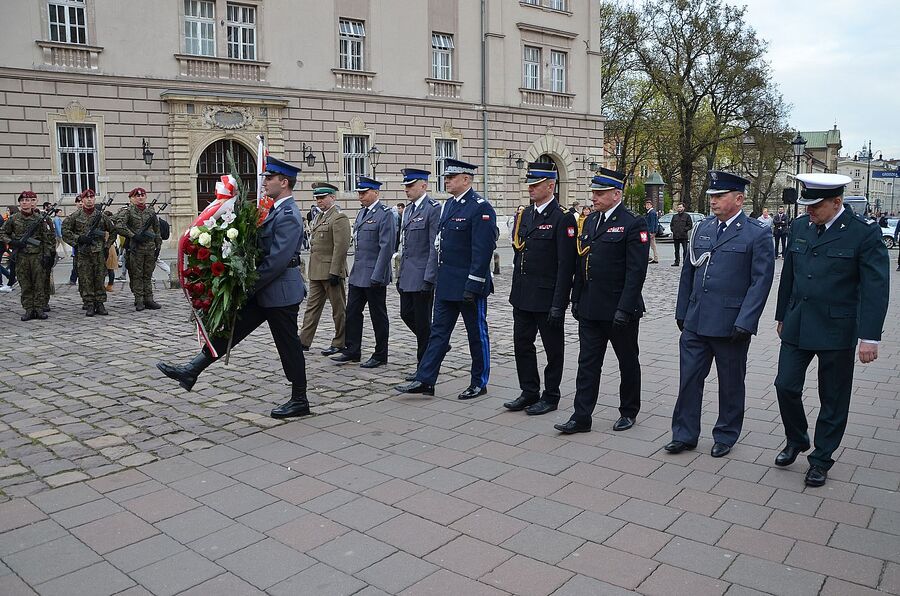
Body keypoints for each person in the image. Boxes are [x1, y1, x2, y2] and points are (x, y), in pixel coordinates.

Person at [158, 156, 311, 418]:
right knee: (232, 328)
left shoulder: (288, 214)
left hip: (280, 291)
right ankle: (192, 370)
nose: (264, 182)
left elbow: (276, 261)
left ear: (284, 183)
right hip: (266, 289)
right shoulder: (274, 210)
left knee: (289, 346)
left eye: (270, 178)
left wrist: (248, 285)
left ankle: (299, 399)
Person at [773, 173, 889, 487]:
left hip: (837, 326)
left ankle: (821, 458)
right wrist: (782, 314)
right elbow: (790, 276)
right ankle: (797, 438)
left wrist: (870, 336)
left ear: (837, 202)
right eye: (806, 205)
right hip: (798, 321)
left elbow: (875, 287)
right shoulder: (800, 226)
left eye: (816, 205)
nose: (809, 211)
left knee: (833, 397)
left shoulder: (863, 233)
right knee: (785, 385)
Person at [664, 171, 775, 457]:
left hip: (730, 324)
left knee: (731, 383)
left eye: (719, 196)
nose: (713, 201)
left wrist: (746, 321)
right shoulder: (702, 229)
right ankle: (685, 434)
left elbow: (760, 282)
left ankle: (726, 434)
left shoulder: (756, 233)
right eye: (712, 196)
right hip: (696, 321)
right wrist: (682, 311)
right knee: (689, 379)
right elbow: (688, 272)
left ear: (738, 199)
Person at [554, 169, 649, 433]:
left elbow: (636, 271)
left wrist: (625, 307)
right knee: (587, 363)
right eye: (594, 192)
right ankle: (581, 415)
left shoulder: (632, 223)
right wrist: (576, 297)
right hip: (591, 307)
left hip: (620, 309)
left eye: (600, 193)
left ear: (616, 194)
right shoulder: (591, 221)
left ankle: (628, 410)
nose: (593, 197)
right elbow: (583, 261)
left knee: (627, 361)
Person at [395, 158, 497, 399]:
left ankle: (479, 382)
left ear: (466, 179)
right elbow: (441, 245)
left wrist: (473, 285)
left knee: (476, 334)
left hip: (469, 285)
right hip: (447, 282)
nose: (447, 181)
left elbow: (482, 252)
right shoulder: (449, 206)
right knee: (438, 333)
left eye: (451, 177)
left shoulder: (480, 207)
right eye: (446, 177)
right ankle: (425, 379)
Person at [503, 162, 576, 415]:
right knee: (522, 344)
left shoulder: (562, 218)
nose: (531, 189)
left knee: (553, 348)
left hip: (547, 296)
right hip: (523, 294)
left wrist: (560, 302)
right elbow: (519, 254)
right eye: (530, 185)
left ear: (551, 186)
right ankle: (529, 391)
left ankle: (551, 395)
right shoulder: (525, 215)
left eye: (536, 185)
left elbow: (566, 265)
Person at [331, 176, 396, 368]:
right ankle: (352, 350)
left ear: (376, 193)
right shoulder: (361, 214)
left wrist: (378, 274)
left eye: (364, 193)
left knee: (378, 315)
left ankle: (380, 354)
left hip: (375, 274)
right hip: (359, 273)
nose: (360, 196)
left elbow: (386, 248)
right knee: (352, 312)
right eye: (359, 193)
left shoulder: (385, 214)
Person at [396, 168, 441, 377]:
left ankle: (423, 369)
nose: (407, 189)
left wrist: (429, 277)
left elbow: (434, 246)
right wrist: (399, 274)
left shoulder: (433, 209)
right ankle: (437, 344)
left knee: (423, 325)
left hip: (422, 274)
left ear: (423, 185)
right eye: (406, 186)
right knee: (406, 314)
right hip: (408, 274)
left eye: (410, 185)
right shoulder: (409, 210)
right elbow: (404, 245)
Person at [299, 182, 351, 355]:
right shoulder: (319, 217)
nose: (319, 201)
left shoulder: (339, 218)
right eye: (317, 198)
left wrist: (335, 271)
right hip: (316, 271)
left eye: (322, 198)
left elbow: (341, 247)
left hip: (330, 272)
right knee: (311, 308)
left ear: (333, 198)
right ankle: (304, 340)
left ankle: (340, 341)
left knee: (338, 309)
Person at [61, 188, 116, 316]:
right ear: (82, 199)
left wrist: (107, 246)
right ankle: (89, 304)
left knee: (99, 278)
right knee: (86, 279)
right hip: (83, 253)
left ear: (94, 199)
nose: (89, 199)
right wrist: (78, 239)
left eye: (92, 197)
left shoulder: (101, 216)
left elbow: (113, 231)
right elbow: (65, 232)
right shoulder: (75, 216)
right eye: (87, 197)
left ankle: (100, 303)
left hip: (99, 252)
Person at [0, 191, 54, 320]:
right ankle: (29, 309)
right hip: (21, 256)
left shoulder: (39, 219)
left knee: (39, 283)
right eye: (22, 200)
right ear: (19, 203)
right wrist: (13, 242)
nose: (25, 202)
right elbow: (2, 233)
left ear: (32, 202)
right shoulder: (13, 218)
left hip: (37, 255)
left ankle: (39, 308)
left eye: (28, 200)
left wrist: (47, 255)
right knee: (25, 283)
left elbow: (46, 238)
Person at [114, 188, 162, 311]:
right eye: (137, 196)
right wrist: (133, 235)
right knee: (136, 275)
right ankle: (139, 299)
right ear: (131, 198)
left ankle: (149, 299)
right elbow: (119, 225)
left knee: (148, 274)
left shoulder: (150, 211)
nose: (140, 197)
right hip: (135, 248)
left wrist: (158, 245)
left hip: (150, 248)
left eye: (142, 195)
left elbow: (156, 229)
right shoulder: (127, 211)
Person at [669, 202, 693, 266]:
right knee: (676, 250)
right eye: (678, 207)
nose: (679, 208)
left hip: (683, 236)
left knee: (685, 250)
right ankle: (676, 261)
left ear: (683, 208)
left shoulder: (687, 216)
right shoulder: (675, 216)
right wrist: (673, 230)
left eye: (680, 207)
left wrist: (684, 230)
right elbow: (671, 225)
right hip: (676, 236)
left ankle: (685, 262)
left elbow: (690, 225)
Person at [69, 195, 82, 285]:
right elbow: (67, 232)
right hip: (78, 243)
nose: (80, 203)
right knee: (76, 263)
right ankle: (73, 279)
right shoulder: (73, 217)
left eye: (81, 201)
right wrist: (74, 242)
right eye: (78, 202)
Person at [645, 199, 659, 263]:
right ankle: (653, 257)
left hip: (650, 232)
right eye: (646, 205)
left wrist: (652, 232)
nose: (647, 206)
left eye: (648, 205)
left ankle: (654, 258)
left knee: (652, 245)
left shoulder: (652, 212)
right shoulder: (650, 212)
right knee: (652, 245)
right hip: (650, 231)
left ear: (651, 205)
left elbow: (653, 223)